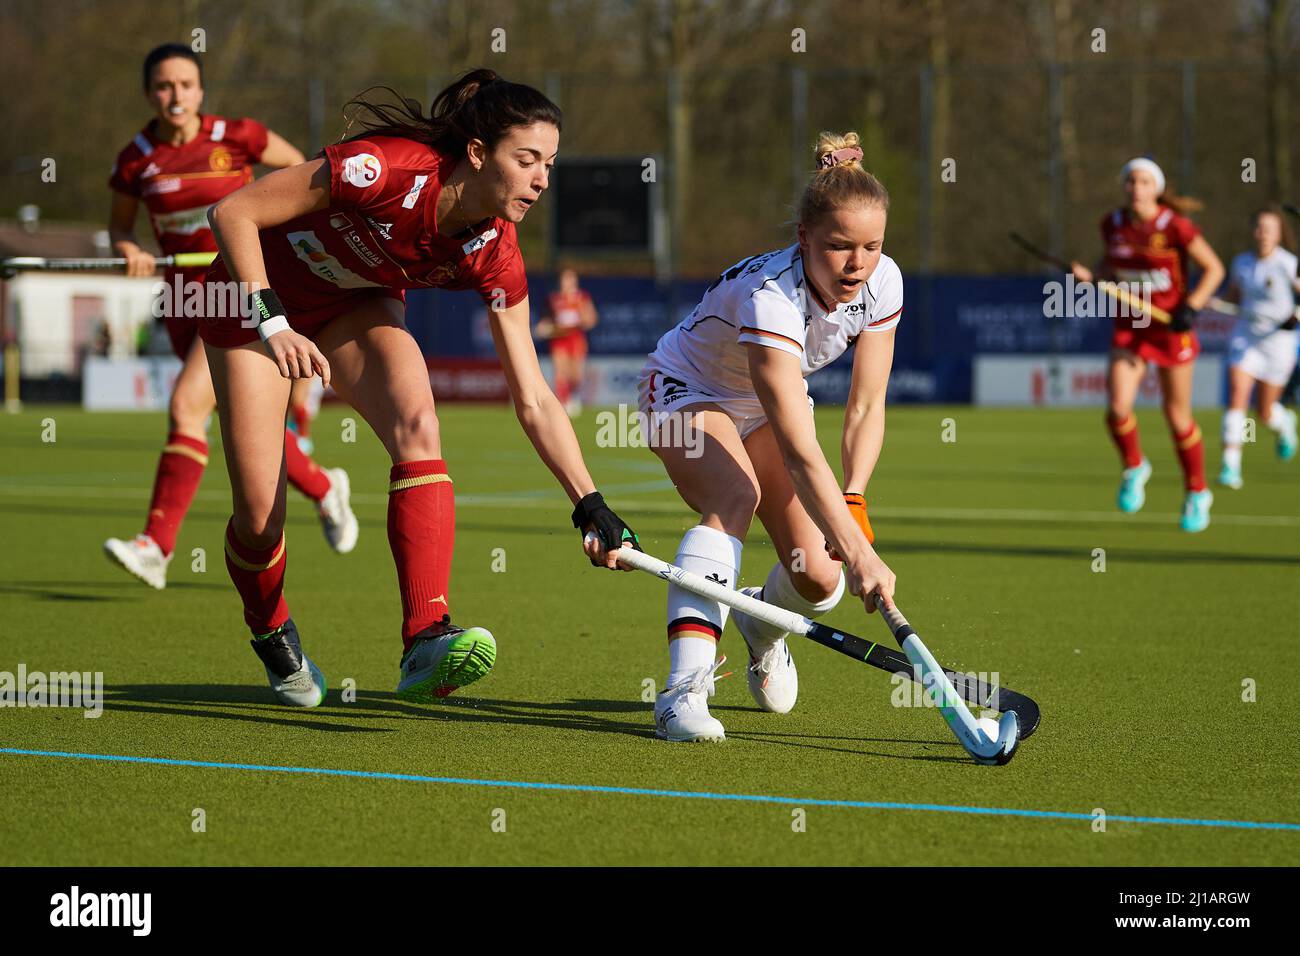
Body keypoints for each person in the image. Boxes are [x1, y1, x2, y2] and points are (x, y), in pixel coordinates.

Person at [198, 69, 638, 707]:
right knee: (262, 523)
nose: (543, 179)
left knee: (419, 425)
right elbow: (233, 210)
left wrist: (589, 503)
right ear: (479, 154)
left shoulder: (496, 252)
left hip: (356, 303)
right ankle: (269, 630)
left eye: (551, 162)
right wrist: (275, 323)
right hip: (252, 311)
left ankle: (424, 637)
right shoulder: (384, 169)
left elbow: (535, 395)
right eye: (528, 160)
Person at [636, 131, 898, 742]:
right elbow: (802, 449)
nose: (857, 264)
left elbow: (865, 405)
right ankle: (683, 692)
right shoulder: (770, 298)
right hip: (686, 388)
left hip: (764, 404)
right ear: (804, 239)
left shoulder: (885, 282)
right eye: (838, 247)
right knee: (733, 497)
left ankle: (762, 624)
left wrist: (853, 504)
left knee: (817, 577)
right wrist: (861, 552)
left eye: (872, 247)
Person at [103, 42, 356, 590]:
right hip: (181, 299)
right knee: (241, 423)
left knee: (186, 405)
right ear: (150, 93)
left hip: (236, 289)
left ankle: (156, 545)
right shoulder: (136, 158)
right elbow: (120, 228)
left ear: (201, 91)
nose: (176, 95)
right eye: (164, 86)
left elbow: (308, 176)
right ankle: (324, 485)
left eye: (186, 85)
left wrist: (267, 227)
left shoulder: (237, 136)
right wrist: (129, 249)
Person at [1071, 158, 1225, 532]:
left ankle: (1197, 491)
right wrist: (1094, 277)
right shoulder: (1113, 224)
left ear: (1155, 188)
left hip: (1171, 329)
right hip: (1132, 327)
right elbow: (1110, 267)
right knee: (1117, 407)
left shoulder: (1176, 227)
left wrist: (1192, 306)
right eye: (1130, 182)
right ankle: (1135, 466)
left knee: (1177, 417)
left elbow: (1214, 269)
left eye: (1143, 182)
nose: (1135, 188)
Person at [1217, 205, 1300, 488]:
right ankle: (1230, 465)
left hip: (1279, 343)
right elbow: (1232, 297)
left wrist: (1296, 316)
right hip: (1247, 338)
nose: (1263, 234)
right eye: (1259, 228)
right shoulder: (1241, 262)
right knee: (1237, 395)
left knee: (1264, 413)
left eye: (1270, 229)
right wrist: (1212, 302)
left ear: (1278, 234)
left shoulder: (1288, 264)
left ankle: (1284, 424)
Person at [536, 267, 597, 415]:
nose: (566, 283)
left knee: (576, 376)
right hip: (559, 340)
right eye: (564, 279)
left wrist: (581, 320)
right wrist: (544, 328)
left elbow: (591, 319)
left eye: (569, 279)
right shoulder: (554, 299)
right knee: (560, 373)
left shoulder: (582, 298)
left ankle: (572, 396)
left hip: (575, 339)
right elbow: (547, 320)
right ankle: (563, 402)